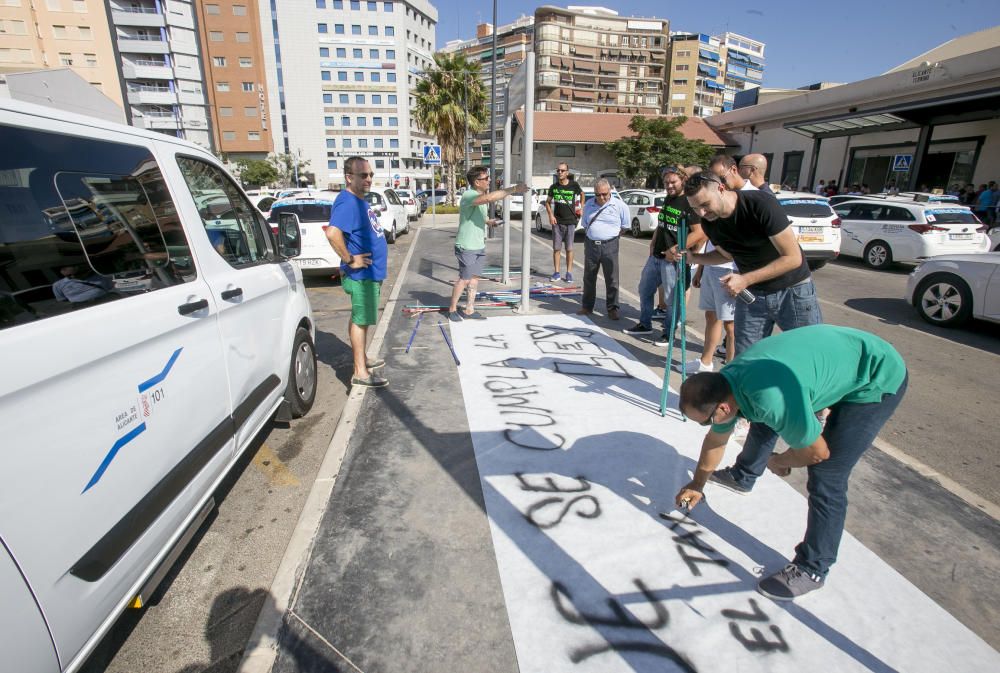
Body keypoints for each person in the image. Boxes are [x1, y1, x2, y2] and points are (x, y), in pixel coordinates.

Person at [675, 325, 908, 600]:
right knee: (763, 417)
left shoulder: (770, 398)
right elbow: (716, 440)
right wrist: (697, 484)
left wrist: (779, 460)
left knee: (827, 475)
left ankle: (813, 568)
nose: (706, 426)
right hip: (835, 361)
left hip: (875, 375)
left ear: (722, 408)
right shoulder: (727, 383)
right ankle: (744, 476)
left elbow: (817, 452)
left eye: (705, 421)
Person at [683, 171, 822, 356]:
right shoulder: (710, 222)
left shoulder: (760, 204)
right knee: (748, 357)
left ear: (721, 189)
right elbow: (727, 255)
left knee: (810, 352)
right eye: (694, 208)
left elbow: (793, 258)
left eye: (705, 204)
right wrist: (695, 258)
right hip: (754, 295)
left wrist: (745, 279)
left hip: (793, 290)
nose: (701, 212)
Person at [325, 156, 389, 388]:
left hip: (370, 274)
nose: (369, 179)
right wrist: (350, 259)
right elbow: (333, 233)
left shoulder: (358, 200)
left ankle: (362, 359)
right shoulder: (347, 202)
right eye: (363, 175)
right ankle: (360, 372)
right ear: (349, 177)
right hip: (361, 275)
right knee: (361, 320)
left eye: (371, 174)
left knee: (361, 318)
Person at [623, 166, 705, 341]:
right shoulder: (669, 198)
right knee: (644, 290)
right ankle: (645, 324)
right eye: (666, 182)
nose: (669, 186)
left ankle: (668, 333)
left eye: (673, 182)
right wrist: (653, 242)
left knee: (671, 299)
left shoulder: (689, 201)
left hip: (673, 260)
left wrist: (675, 249)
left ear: (683, 180)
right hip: (656, 256)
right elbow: (663, 224)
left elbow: (699, 233)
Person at [448, 166, 528, 322]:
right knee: (464, 279)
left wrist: (488, 222)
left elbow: (476, 214)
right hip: (466, 246)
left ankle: (469, 309)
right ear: (477, 182)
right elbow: (490, 198)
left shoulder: (479, 197)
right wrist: (514, 189)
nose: (489, 180)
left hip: (478, 244)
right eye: (486, 178)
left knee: (474, 279)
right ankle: (452, 309)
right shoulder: (469, 195)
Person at [577, 179, 629, 320]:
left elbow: (625, 226)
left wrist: (610, 237)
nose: (601, 197)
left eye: (604, 194)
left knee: (612, 278)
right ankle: (587, 307)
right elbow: (585, 223)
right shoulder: (588, 205)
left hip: (610, 245)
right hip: (591, 245)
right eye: (598, 194)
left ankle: (612, 309)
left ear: (610, 191)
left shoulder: (619, 206)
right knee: (589, 277)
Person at [545, 162, 583, 282]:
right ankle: (556, 272)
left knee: (569, 248)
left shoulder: (574, 185)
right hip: (557, 222)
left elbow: (582, 194)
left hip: (570, 221)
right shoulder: (554, 187)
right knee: (556, 248)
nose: (559, 173)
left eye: (562, 171)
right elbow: (547, 202)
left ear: (567, 172)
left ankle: (569, 273)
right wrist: (551, 215)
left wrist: (581, 207)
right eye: (558, 170)